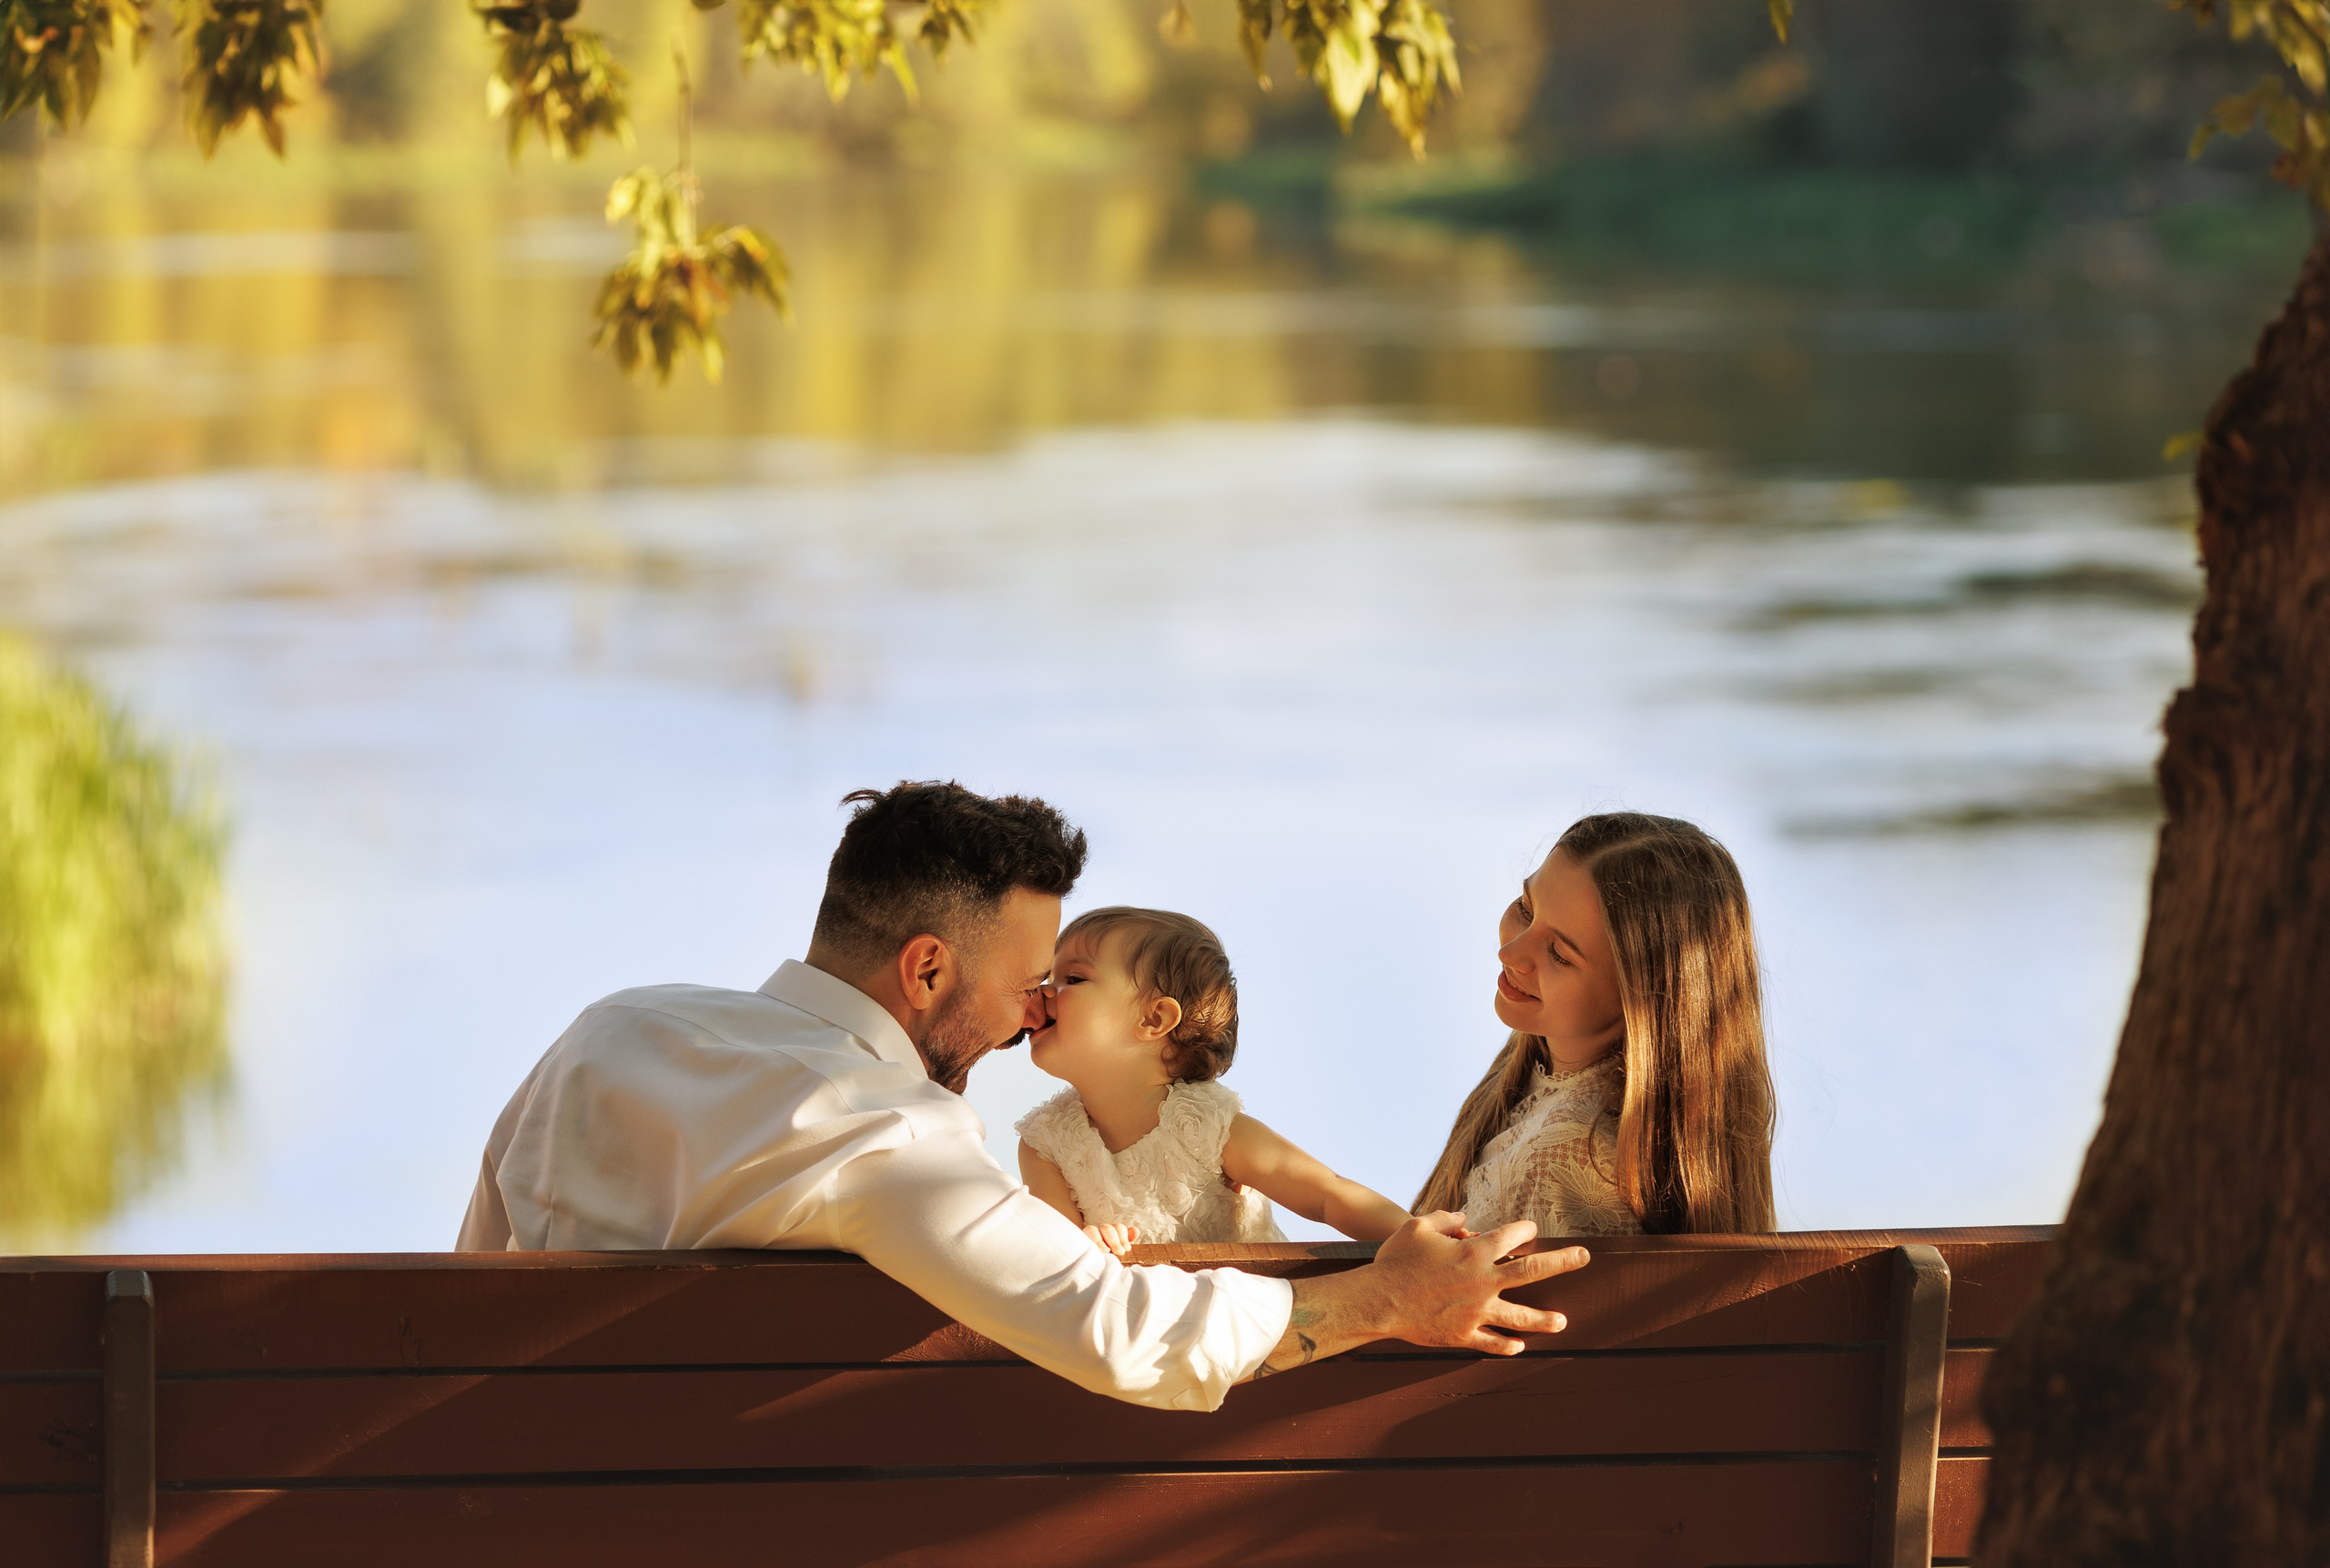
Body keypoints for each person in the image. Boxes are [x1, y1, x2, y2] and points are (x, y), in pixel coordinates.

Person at [458, 780, 1589, 1411]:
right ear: (927, 970)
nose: (1026, 1016)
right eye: (1023, 983)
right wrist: (1383, 1303)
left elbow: (475, 1272)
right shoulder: (877, 1133)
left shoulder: (612, 1029)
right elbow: (1120, 1331)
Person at [1413, 812, 1777, 1237]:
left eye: (1560, 955)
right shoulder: (1539, 1061)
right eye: (1525, 909)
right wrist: (1330, 1193)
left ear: (1642, 1000)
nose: (1511, 953)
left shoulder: (1564, 1165)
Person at [1016, 905, 1411, 1257]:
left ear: (1154, 1020)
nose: (1044, 991)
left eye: (1074, 978)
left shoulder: (1206, 1123)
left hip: (1254, 1314)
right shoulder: (1046, 1143)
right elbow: (1058, 1250)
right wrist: (1090, 1238)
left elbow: (1327, 1195)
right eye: (1049, 976)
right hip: (1142, 1321)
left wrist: (1421, 1240)